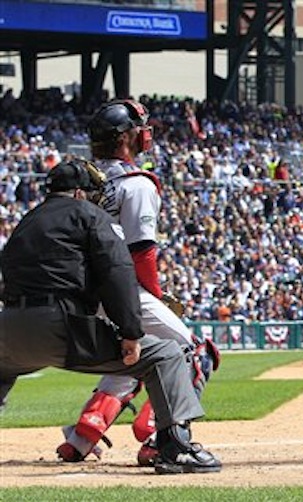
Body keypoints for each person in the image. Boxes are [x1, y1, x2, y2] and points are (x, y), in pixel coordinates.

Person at [0, 159, 221, 474]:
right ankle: (176, 447)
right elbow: (118, 274)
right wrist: (131, 332)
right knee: (166, 354)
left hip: (9, 324)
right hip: (62, 326)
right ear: (79, 193)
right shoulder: (89, 215)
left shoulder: (26, 221)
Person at [57, 99, 220, 466]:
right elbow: (142, 252)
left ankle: (83, 435)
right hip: (121, 287)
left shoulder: (80, 181)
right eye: (140, 127)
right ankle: (161, 436)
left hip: (79, 292)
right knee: (196, 354)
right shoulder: (136, 183)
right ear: (128, 137)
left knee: (134, 356)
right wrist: (156, 297)